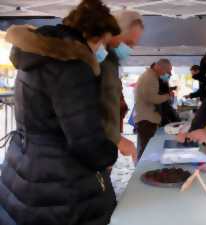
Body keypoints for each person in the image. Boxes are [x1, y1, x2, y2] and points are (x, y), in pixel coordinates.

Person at [0, 0, 121, 224]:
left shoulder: (37, 55)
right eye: (102, 42)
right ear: (92, 35)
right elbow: (86, 140)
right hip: (60, 181)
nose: (101, 49)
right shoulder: (72, 66)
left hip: (25, 163)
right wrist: (109, 154)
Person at [99, 10, 144, 162]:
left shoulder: (110, 61)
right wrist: (116, 138)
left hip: (105, 143)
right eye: (129, 43)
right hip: (95, 146)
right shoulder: (100, 60)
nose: (130, 49)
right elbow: (87, 107)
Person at [135, 59, 172, 159]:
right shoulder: (150, 77)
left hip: (147, 119)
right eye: (167, 71)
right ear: (160, 67)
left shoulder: (151, 76)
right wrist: (167, 96)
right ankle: (141, 171)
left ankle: (142, 169)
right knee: (147, 149)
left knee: (146, 148)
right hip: (147, 120)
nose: (167, 74)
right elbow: (151, 98)